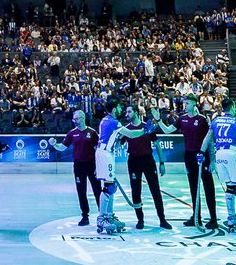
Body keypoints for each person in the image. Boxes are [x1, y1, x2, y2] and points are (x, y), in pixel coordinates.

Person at [200, 96, 236, 234]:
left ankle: (231, 220)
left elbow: (208, 137)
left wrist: (201, 152)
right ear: (232, 108)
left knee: (229, 187)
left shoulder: (216, 120)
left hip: (219, 155)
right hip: (232, 154)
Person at [121, 106, 171, 230]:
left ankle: (162, 219)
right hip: (133, 161)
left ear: (136, 112)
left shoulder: (147, 126)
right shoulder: (126, 129)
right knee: (135, 191)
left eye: (129, 111)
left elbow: (157, 145)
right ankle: (140, 220)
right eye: (126, 112)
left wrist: (162, 163)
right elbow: (118, 143)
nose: (127, 114)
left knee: (155, 190)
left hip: (148, 160)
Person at [175, 97, 217, 228]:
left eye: (187, 103)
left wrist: (212, 160)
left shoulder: (202, 119)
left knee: (208, 187)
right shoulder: (182, 119)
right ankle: (196, 216)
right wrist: (158, 120)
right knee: (193, 187)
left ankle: (213, 219)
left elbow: (210, 140)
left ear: (194, 104)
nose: (185, 105)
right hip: (189, 156)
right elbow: (167, 130)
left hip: (202, 156)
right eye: (184, 103)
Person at [89, 98, 128, 235]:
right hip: (105, 154)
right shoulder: (113, 122)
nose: (121, 109)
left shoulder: (105, 120)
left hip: (106, 153)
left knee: (111, 186)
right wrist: (144, 131)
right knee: (108, 187)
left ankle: (109, 216)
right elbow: (130, 134)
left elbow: (116, 139)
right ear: (114, 109)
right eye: (119, 107)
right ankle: (102, 218)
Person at [61, 108, 99, 226]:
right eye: (74, 119)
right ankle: (85, 216)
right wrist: (54, 144)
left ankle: (102, 214)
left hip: (92, 164)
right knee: (81, 191)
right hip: (79, 165)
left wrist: (98, 165)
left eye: (77, 119)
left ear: (83, 118)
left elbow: (98, 150)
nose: (75, 121)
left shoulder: (92, 132)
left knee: (97, 189)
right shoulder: (71, 133)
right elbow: (62, 147)